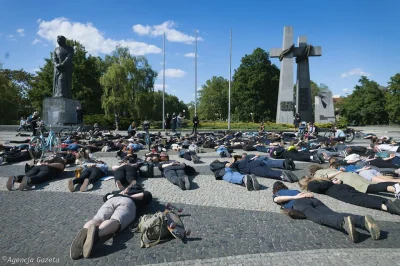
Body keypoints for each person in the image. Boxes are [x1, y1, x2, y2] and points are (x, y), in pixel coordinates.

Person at [272, 181, 380, 242]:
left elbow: (277, 199)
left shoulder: (278, 193)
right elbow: (305, 194)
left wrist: (294, 197)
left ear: (275, 189)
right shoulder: (293, 190)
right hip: (312, 199)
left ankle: (343, 222)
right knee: (332, 214)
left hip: (300, 204)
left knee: (319, 218)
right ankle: (362, 220)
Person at [70, 186, 152, 259]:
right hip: (128, 202)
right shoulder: (139, 192)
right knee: (116, 220)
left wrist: (119, 193)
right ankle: (96, 234)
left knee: (98, 218)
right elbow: (148, 195)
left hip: (112, 200)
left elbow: (105, 197)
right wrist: (130, 196)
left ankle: (84, 232)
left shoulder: (117, 192)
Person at [299, 175, 400, 216]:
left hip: (337, 192)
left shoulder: (311, 184)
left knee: (362, 200)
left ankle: (389, 207)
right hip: (342, 187)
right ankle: (387, 202)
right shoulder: (318, 179)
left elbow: (322, 187)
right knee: (364, 196)